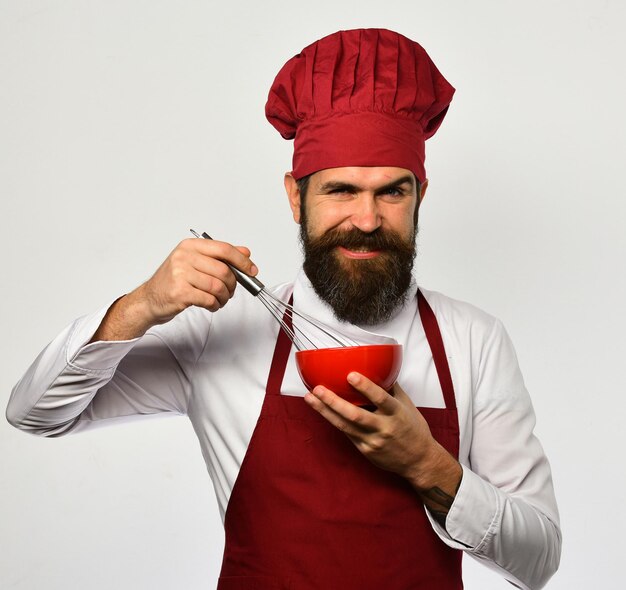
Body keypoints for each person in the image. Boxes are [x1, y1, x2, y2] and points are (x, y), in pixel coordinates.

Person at [6, 28, 561, 590]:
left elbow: (539, 560)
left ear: (420, 195)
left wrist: (427, 465)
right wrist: (143, 304)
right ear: (296, 196)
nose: (367, 220)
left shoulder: (474, 341)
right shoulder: (221, 334)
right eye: (341, 191)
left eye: (392, 192)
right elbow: (35, 412)